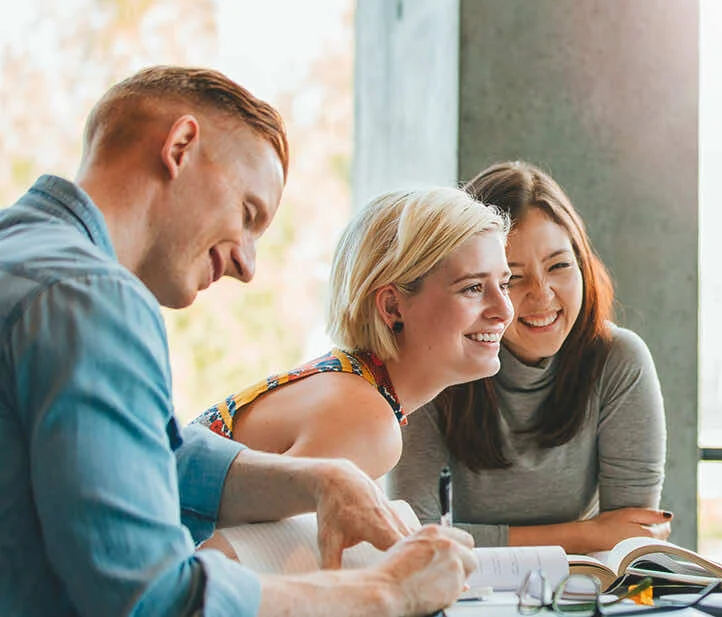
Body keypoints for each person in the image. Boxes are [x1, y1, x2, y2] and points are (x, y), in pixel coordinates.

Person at [0, 66, 477, 617]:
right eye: (248, 214)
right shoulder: (91, 296)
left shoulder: (27, 259)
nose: (247, 266)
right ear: (180, 146)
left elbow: (147, 452)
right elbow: (156, 601)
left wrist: (321, 479)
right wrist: (389, 590)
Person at [389, 161, 668, 553]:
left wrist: (601, 537)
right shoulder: (433, 362)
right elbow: (416, 537)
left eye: (559, 266)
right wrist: (586, 534)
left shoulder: (618, 360)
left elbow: (629, 536)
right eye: (513, 278)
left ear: (584, 265)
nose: (542, 295)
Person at [191, 187, 514, 479]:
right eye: (472, 288)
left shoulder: (351, 385)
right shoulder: (364, 421)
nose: (505, 310)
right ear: (392, 307)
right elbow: (220, 544)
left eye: (504, 285)